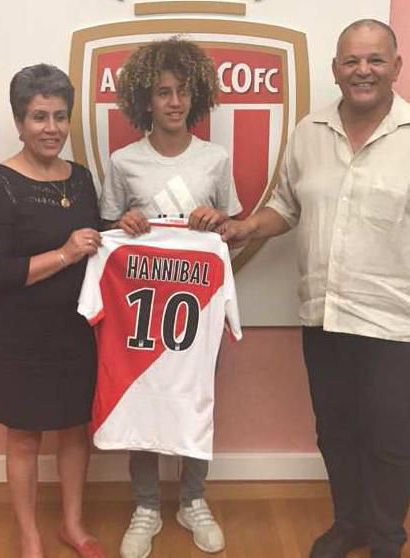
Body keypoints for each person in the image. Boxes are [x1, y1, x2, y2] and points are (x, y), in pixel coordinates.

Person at [220, 19, 410, 558]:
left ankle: (386, 538)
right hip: (324, 315)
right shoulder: (308, 131)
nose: (363, 71)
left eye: (375, 60)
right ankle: (348, 524)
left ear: (396, 67)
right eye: (351, 61)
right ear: (335, 69)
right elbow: (286, 205)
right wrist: (245, 227)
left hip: (395, 320)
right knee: (337, 432)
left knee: (393, 442)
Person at [100, 38, 242, 558]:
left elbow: (233, 230)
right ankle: (144, 505)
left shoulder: (215, 159)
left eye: (183, 92)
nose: (174, 102)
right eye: (163, 92)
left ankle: (193, 498)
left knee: (194, 397)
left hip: (197, 309)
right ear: (146, 99)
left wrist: (218, 223)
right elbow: (107, 235)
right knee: (142, 397)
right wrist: (123, 223)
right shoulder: (123, 162)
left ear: (197, 96)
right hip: (140, 311)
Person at [0, 64, 106, 558]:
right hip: (18, 336)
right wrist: (65, 254)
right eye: (38, 117)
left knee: (75, 429)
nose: (51, 128)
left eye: (59, 116)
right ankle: (30, 536)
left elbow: (103, 240)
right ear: (18, 121)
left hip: (74, 330)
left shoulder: (84, 179)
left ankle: (72, 525)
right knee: (25, 435)